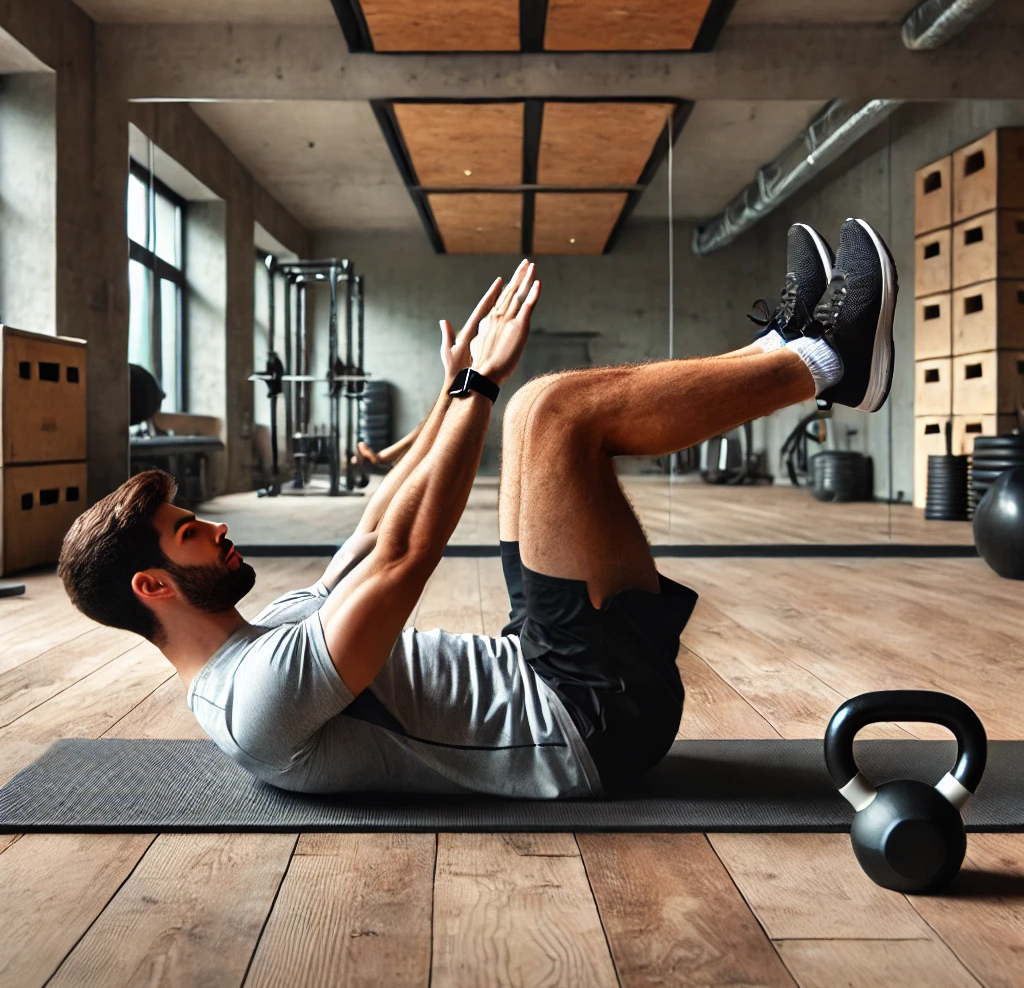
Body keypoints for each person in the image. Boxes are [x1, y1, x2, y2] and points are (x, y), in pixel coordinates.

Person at [58, 217, 897, 799]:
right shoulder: (262, 701)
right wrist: (477, 390)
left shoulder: (263, 638)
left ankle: (784, 354)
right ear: (154, 588)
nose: (216, 529)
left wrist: (458, 386)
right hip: (589, 721)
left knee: (536, 408)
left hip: (544, 665)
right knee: (557, 411)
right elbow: (407, 555)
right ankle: (829, 359)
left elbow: (380, 520)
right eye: (189, 535)